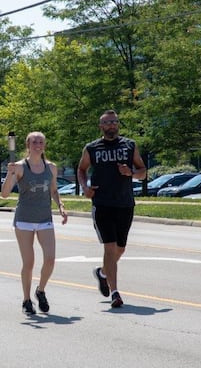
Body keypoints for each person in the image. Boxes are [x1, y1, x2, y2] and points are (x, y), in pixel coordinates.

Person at [77, 110, 146, 308]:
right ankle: (115, 293)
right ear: (101, 127)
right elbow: (81, 169)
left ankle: (103, 272)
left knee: (120, 248)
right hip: (102, 203)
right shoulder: (92, 148)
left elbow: (143, 172)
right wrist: (85, 187)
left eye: (114, 122)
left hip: (125, 203)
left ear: (118, 125)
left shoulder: (129, 145)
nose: (111, 125)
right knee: (109, 246)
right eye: (107, 123)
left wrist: (131, 172)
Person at [1, 132, 67, 315]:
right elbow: (4, 194)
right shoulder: (21, 167)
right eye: (34, 142)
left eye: (41, 142)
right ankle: (26, 300)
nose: (38, 144)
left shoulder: (51, 168)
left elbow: (53, 190)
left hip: (44, 218)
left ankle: (41, 290)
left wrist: (61, 205)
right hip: (24, 220)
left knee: (50, 259)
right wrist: (9, 174)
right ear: (28, 145)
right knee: (29, 263)